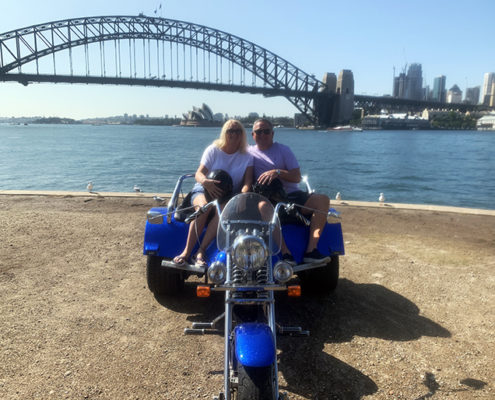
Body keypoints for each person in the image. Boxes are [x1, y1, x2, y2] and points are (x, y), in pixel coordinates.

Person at [248, 118, 330, 264]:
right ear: (252, 135)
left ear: (272, 134)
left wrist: (278, 172)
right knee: (262, 206)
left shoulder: (284, 150)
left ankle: (312, 249)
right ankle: (285, 252)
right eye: (258, 132)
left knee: (323, 200)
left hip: (291, 196)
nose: (262, 134)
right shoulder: (248, 153)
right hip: (268, 199)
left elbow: (297, 177)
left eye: (266, 131)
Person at [173, 119, 253, 266]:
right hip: (204, 189)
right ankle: (186, 252)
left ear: (242, 134)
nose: (234, 134)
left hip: (227, 195)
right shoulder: (213, 150)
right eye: (230, 131)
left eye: (237, 131)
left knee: (222, 210)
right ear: (224, 133)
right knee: (204, 207)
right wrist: (205, 183)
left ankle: (201, 251)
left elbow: (247, 182)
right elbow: (199, 173)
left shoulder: (247, 156)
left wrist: (243, 196)